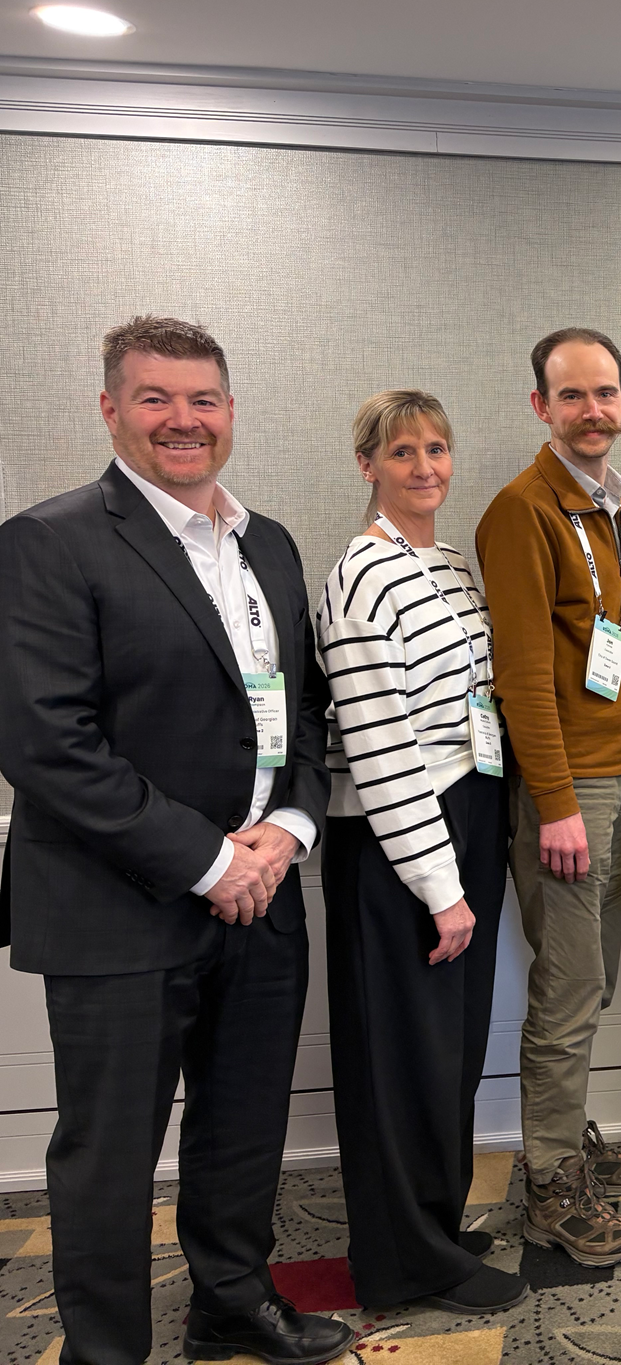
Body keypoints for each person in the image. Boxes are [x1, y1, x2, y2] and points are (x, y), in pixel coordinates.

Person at [0, 317, 352, 1365]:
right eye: (155, 398)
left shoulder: (272, 545)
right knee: (108, 1154)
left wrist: (284, 835)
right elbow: (47, 745)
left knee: (241, 1127)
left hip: (265, 895)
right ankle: (107, 1350)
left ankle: (230, 1305)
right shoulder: (49, 541)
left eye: (202, 399)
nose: (182, 420)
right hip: (120, 906)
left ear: (231, 412)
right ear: (110, 410)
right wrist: (210, 861)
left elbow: (299, 717)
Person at [317, 391, 522, 1313]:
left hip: (468, 808)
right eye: (403, 452)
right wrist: (439, 885)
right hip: (403, 839)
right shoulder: (361, 576)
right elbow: (381, 742)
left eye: (437, 448)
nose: (426, 467)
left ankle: (434, 1221)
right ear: (368, 464)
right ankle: (404, 1263)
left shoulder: (448, 566)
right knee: (400, 1056)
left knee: (451, 1043)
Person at [476, 328, 621, 1269]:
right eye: (571, 395)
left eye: (605, 393)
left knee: (591, 979)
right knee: (569, 986)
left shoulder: (605, 504)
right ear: (540, 406)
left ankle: (565, 1144)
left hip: (618, 778)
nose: (592, 411)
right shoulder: (522, 510)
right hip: (569, 790)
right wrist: (552, 800)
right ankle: (550, 1187)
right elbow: (521, 673)